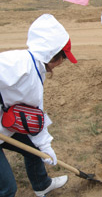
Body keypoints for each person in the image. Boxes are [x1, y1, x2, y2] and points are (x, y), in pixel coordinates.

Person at [0, 14, 77, 197]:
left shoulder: (36, 70)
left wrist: (45, 145)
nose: (63, 62)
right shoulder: (17, 64)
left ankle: (42, 185)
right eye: (64, 58)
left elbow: (35, 113)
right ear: (54, 55)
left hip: (5, 123)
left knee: (35, 151)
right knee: (8, 189)